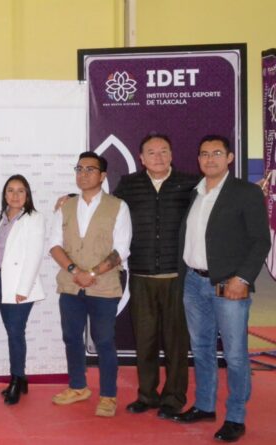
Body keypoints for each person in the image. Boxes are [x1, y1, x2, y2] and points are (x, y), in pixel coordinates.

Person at [173, 135, 270, 442]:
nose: (210, 159)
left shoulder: (245, 192)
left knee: (235, 355)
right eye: (204, 153)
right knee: (201, 350)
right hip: (193, 283)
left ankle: (236, 417)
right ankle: (204, 406)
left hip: (229, 285)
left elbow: (260, 241)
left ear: (229, 157)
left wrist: (242, 279)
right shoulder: (196, 192)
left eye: (217, 153)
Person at [113, 134, 198, 418]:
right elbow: (107, 210)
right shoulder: (129, 185)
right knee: (145, 341)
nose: (158, 157)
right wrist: (74, 199)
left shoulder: (190, 184)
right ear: (141, 158)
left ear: (172, 155)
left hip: (177, 277)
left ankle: (173, 397)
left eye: (164, 151)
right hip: (141, 275)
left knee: (176, 343)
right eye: (151, 152)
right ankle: (147, 395)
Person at [48, 151, 131, 417]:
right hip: (71, 284)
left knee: (104, 340)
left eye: (90, 169)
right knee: (71, 337)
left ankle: (108, 395)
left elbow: (122, 249)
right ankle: (77, 387)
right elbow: (54, 244)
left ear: (103, 175)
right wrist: (75, 270)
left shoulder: (118, 206)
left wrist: (92, 273)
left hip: (103, 286)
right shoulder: (65, 205)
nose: (83, 174)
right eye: (79, 169)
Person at [0, 174, 45, 405]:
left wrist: (23, 288)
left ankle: (15, 380)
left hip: (20, 285)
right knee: (12, 331)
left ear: (27, 194)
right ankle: (21, 378)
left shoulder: (34, 218)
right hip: (1, 279)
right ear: (4, 194)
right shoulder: (0, 217)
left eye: (20, 190)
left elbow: (34, 255)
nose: (15, 195)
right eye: (10, 190)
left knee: (15, 332)